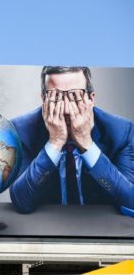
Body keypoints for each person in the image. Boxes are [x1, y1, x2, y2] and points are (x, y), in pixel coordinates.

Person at [9, 66, 133, 215]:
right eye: (56, 97)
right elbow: (22, 202)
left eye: (75, 96)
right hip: (46, 229)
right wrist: (54, 142)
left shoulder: (122, 131)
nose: (66, 109)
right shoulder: (21, 131)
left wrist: (87, 144)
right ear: (43, 100)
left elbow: (131, 201)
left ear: (91, 98)